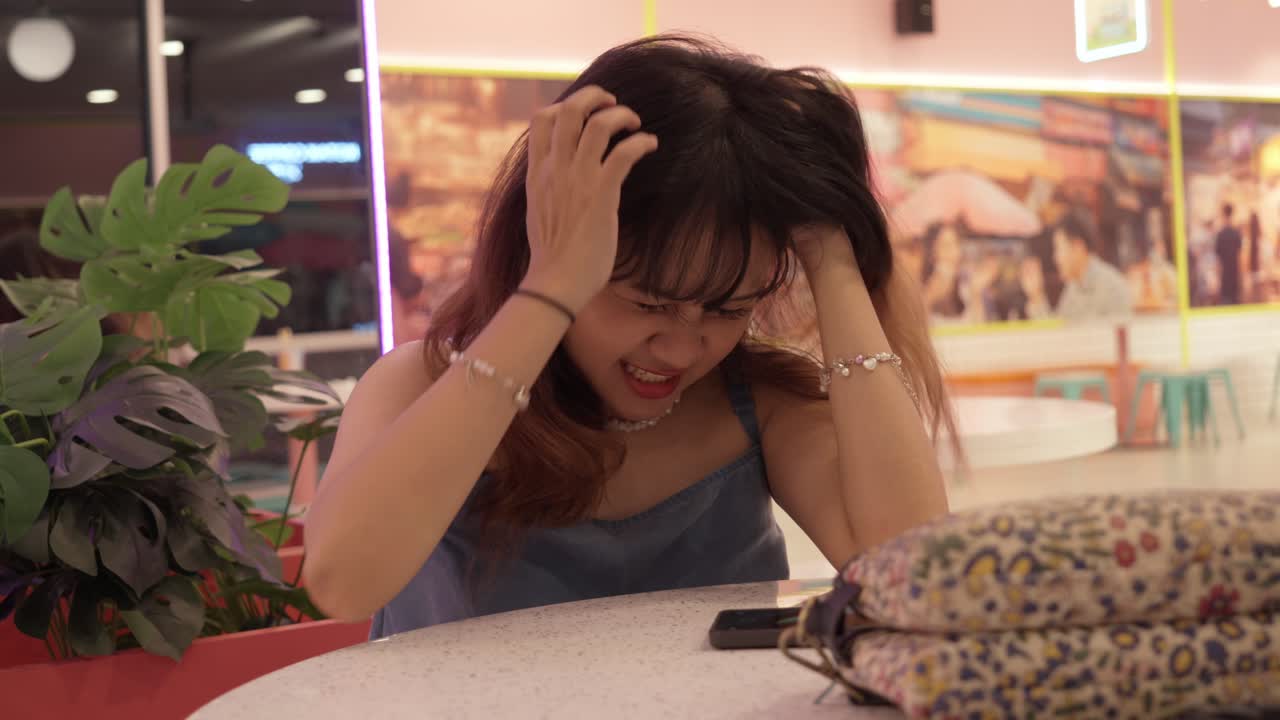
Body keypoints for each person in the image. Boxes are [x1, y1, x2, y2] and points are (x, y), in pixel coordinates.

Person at [302, 36, 957, 633]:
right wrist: (549, 286)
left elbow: (918, 579)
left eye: (727, 310)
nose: (678, 349)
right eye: (646, 303)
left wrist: (834, 257)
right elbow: (343, 585)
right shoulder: (421, 383)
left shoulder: (759, 404)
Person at [1026, 212, 1134, 321]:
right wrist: (1036, 297)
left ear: (1078, 247)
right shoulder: (1073, 287)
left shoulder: (1111, 288)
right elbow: (1059, 333)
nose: (1055, 258)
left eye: (1058, 248)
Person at [1215, 203, 1243, 305]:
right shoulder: (1236, 233)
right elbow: (1240, 250)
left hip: (1225, 270)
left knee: (1225, 299)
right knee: (1235, 297)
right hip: (1234, 268)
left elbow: (1217, 253)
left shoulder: (1220, 234)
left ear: (1223, 214)